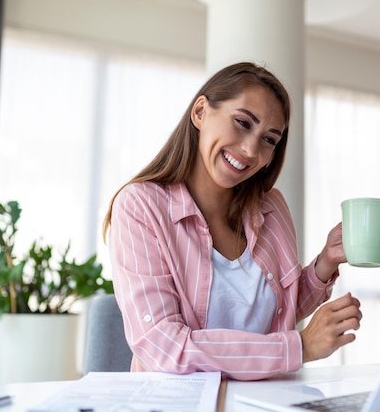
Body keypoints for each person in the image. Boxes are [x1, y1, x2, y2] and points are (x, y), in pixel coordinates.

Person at [102, 62, 362, 381]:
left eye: (269, 139)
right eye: (242, 122)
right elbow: (162, 346)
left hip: (266, 400)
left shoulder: (271, 207)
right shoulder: (141, 206)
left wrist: (325, 263)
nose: (251, 150)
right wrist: (299, 348)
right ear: (200, 112)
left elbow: (280, 313)